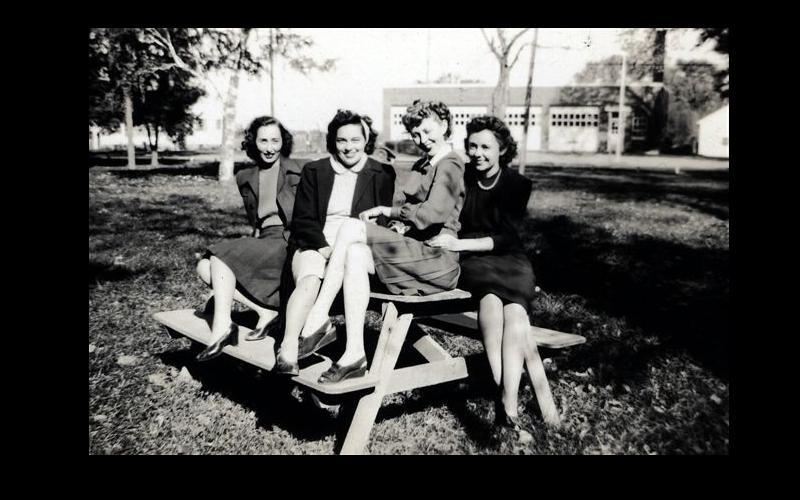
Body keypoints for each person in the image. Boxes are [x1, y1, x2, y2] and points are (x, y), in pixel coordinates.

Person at [299, 100, 466, 384]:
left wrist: (387, 212)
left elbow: (430, 215)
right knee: (353, 252)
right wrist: (396, 225)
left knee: (353, 226)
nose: (422, 140)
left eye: (427, 131)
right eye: (415, 134)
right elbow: (411, 218)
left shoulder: (450, 164)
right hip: (412, 254)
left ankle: (318, 318)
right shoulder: (423, 164)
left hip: (437, 261)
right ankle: (354, 355)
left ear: (445, 126)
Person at [426, 115, 536, 432]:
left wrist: (458, 242)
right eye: (472, 146)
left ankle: (508, 404)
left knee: (516, 312)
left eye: (486, 147)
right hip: (475, 261)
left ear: (502, 149)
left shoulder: (517, 184)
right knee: (489, 300)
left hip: (512, 260)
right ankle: (506, 400)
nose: (478, 153)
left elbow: (509, 237)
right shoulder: (463, 179)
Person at [273, 110, 395, 376]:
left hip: (355, 250)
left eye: (355, 140)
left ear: (366, 140)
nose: (348, 147)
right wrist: (324, 248)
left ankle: (316, 328)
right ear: (333, 141)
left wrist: (341, 252)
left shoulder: (382, 173)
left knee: (349, 253)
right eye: (342, 141)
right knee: (310, 277)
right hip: (316, 242)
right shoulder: (315, 170)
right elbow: (303, 221)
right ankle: (289, 347)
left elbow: (379, 226)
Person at [194, 116, 303, 361]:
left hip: (289, 241)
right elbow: (257, 220)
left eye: (275, 140)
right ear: (253, 142)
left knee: (220, 254)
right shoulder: (245, 177)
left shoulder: (299, 171)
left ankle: (222, 327)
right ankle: (264, 311)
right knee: (203, 266)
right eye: (263, 141)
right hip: (265, 241)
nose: (270, 147)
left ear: (283, 142)